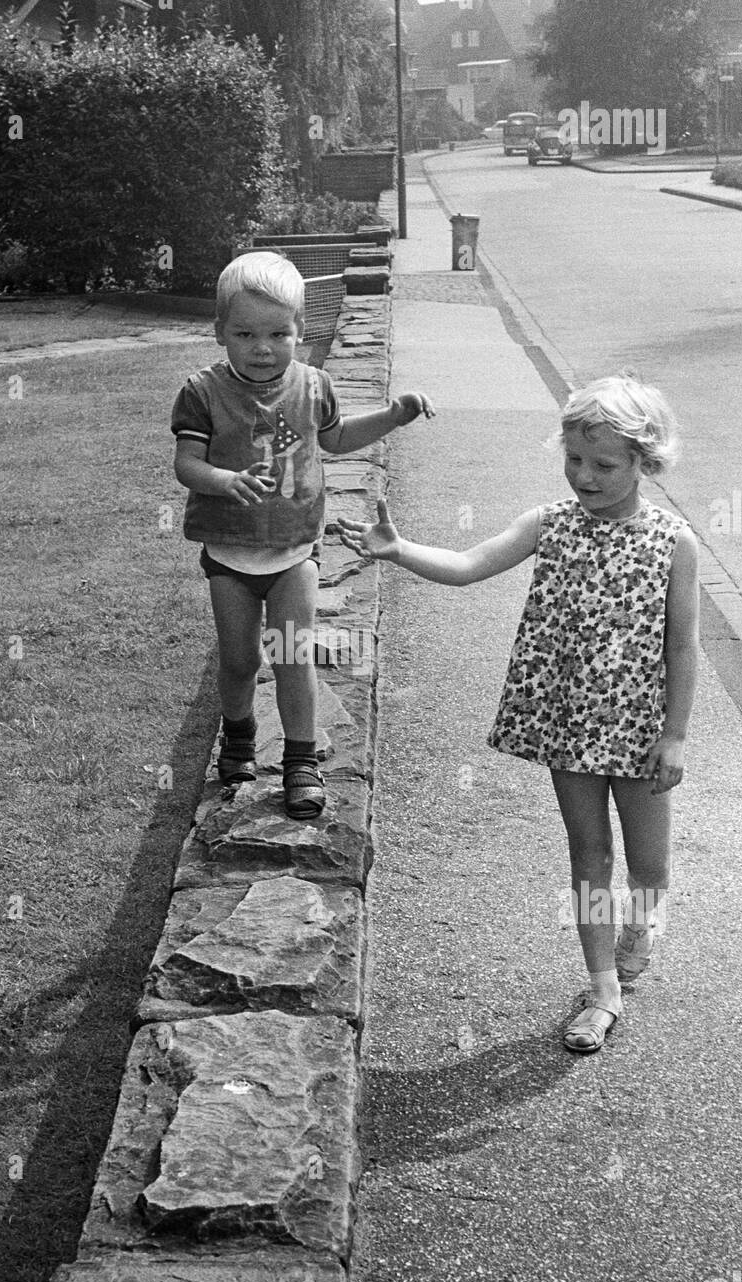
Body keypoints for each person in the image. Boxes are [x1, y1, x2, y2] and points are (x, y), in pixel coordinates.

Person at [337, 375, 699, 1053]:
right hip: (567, 725)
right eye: (575, 460)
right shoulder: (550, 523)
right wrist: (398, 549)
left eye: (604, 465)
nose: (585, 477)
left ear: (645, 463)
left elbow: (684, 647)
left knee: (649, 869)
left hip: (643, 730)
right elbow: (471, 563)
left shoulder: (674, 542)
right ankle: (602, 993)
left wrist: (675, 735)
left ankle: (641, 926)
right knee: (589, 853)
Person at [172, 250, 433, 819]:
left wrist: (392, 415)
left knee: (293, 656)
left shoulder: (313, 386)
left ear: (300, 329)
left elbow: (335, 440)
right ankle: (238, 739)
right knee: (240, 660)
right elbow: (186, 464)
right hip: (230, 553)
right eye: (245, 333)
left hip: (294, 550)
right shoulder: (202, 391)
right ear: (220, 332)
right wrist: (223, 478)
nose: (263, 347)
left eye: (278, 333)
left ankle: (301, 761)